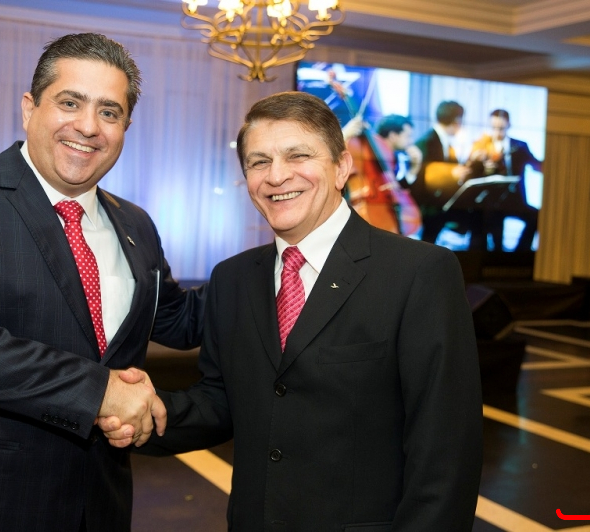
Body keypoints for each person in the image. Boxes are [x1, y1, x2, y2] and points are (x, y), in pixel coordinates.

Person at [102, 91, 483, 530]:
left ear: (341, 167)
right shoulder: (233, 278)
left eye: (298, 155)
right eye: (259, 162)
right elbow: (222, 401)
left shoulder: (419, 273)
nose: (276, 176)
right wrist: (138, 414)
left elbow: (446, 452)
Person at [0, 33, 204, 532]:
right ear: (29, 108)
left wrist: (283, 262)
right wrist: (101, 392)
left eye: (109, 111)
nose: (89, 126)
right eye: (70, 103)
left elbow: (178, 319)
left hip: (99, 504)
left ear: (125, 128)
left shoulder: (136, 222)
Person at [411, 100, 483, 248]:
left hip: (442, 202)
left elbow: (453, 169)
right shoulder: (427, 142)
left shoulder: (444, 141)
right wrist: (451, 174)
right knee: (478, 218)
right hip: (430, 205)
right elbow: (423, 177)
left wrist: (473, 161)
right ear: (457, 120)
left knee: (479, 216)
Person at [469, 109, 543, 251]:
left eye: (501, 128)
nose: (497, 132)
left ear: (509, 125)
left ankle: (519, 253)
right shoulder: (480, 145)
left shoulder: (520, 145)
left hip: (515, 200)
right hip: (490, 202)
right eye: (494, 128)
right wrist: (476, 161)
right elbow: (469, 173)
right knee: (489, 222)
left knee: (536, 216)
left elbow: (536, 165)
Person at [342, 114, 422, 237]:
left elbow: (394, 185)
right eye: (408, 136)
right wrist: (342, 137)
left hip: (382, 203)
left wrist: (414, 169)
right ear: (393, 136)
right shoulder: (363, 147)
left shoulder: (395, 156)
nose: (411, 141)